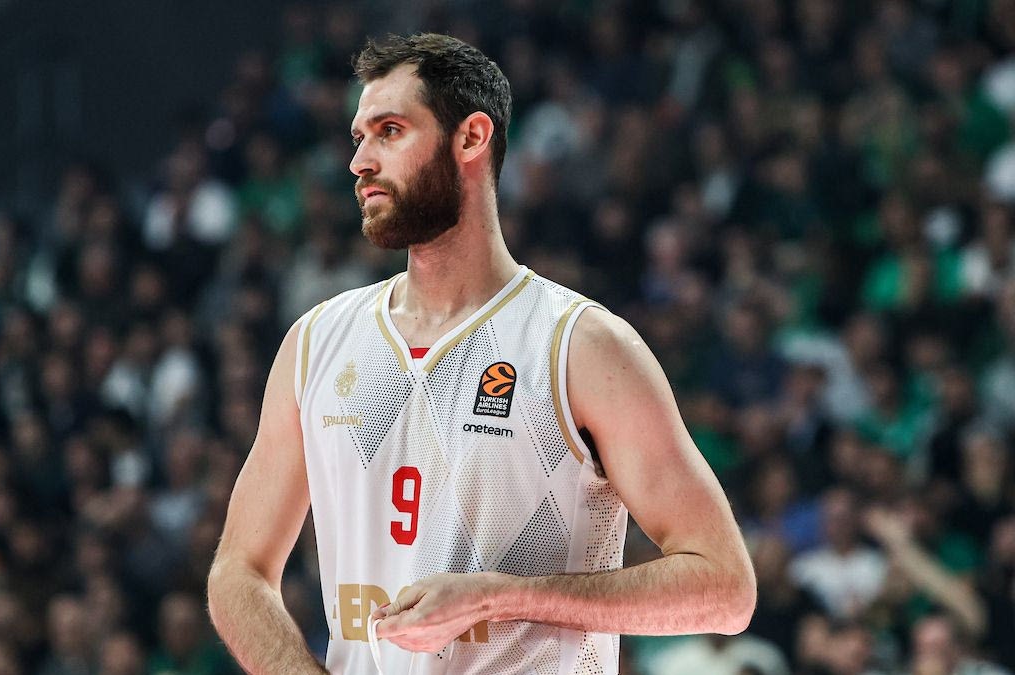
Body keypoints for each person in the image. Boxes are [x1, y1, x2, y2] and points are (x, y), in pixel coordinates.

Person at [206, 33, 756, 674]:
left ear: (471, 138)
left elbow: (724, 588)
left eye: (389, 132)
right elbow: (238, 572)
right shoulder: (316, 343)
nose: (360, 161)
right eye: (358, 138)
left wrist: (502, 597)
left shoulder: (581, 345)